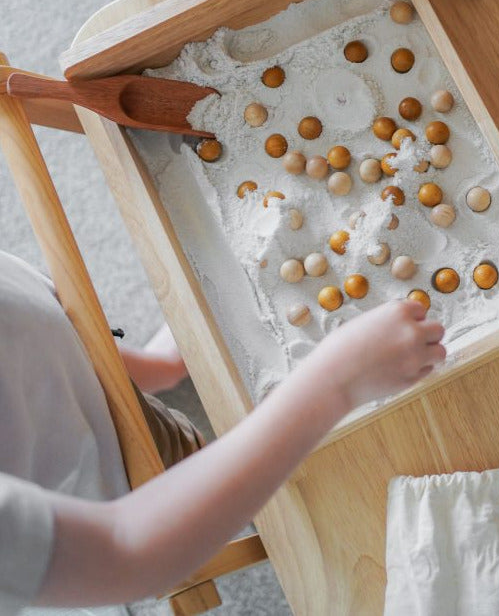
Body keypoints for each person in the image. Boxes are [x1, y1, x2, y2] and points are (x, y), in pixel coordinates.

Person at [0, 250, 445, 612]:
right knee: (188, 454)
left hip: (48, 360)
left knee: (42, 341)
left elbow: (34, 340)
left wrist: (161, 367)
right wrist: (337, 383)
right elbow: (124, 549)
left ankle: (166, 373)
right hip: (122, 482)